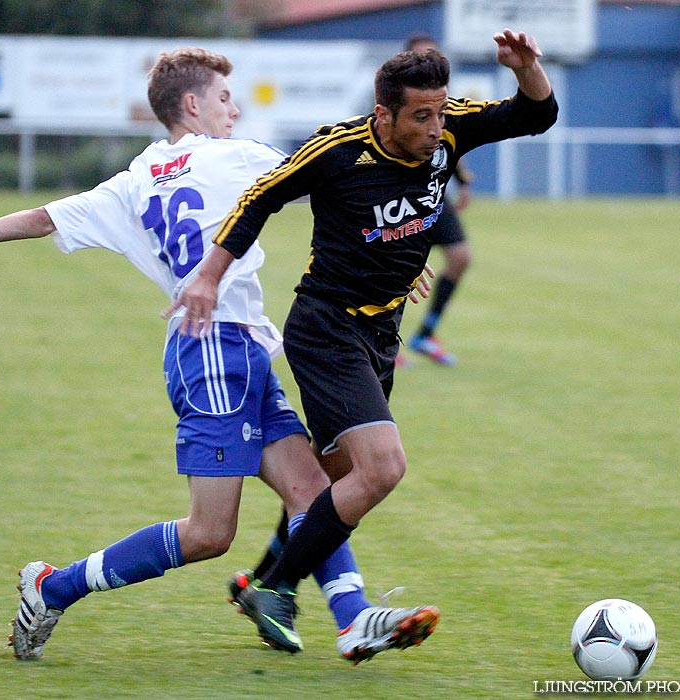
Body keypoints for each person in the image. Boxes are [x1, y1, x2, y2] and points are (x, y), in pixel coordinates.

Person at [0, 47, 438, 664]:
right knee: (210, 533)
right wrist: (386, 260)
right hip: (213, 351)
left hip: (231, 350)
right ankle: (53, 587)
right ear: (192, 105)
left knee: (311, 490)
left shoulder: (134, 179)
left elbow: (41, 219)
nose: (233, 111)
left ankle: (354, 620)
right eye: (223, 99)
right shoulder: (234, 157)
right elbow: (339, 178)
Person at [173, 29, 557, 650]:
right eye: (421, 116)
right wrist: (208, 278)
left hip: (381, 331)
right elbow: (258, 198)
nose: (436, 128)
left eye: (440, 111)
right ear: (384, 113)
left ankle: (266, 581)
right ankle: (290, 591)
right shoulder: (337, 150)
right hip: (327, 328)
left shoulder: (451, 127)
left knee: (333, 480)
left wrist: (528, 68)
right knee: (383, 468)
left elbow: (538, 115)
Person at [401, 32, 474, 367]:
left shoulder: (442, 107)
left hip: (434, 194)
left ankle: (425, 334)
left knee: (460, 257)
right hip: (398, 198)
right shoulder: (395, 103)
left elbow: (448, 144)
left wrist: (463, 182)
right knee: (395, 268)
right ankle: (382, 342)